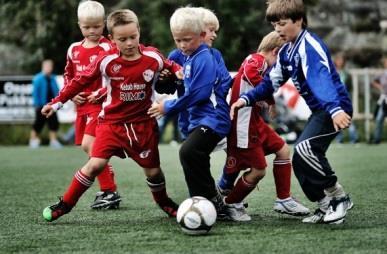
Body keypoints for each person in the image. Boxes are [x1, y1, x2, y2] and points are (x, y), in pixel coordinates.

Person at [41, 9, 181, 222]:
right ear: (112, 39)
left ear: (139, 32)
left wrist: (179, 75)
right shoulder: (105, 60)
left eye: (133, 37)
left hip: (142, 125)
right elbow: (80, 80)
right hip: (111, 124)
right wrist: (57, 102)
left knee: (153, 172)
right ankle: (66, 204)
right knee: (94, 164)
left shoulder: (153, 57)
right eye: (122, 39)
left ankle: (164, 202)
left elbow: (177, 69)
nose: (129, 43)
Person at [230, 0, 353, 224]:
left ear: (299, 20)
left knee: (306, 149)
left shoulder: (309, 46)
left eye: (282, 23)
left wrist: (335, 109)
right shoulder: (287, 51)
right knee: (299, 159)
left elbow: (320, 78)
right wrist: (246, 98)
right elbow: (270, 82)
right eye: (274, 24)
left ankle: (339, 198)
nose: (277, 29)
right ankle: (325, 206)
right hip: (321, 110)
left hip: (334, 107)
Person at [217, 31, 310, 222]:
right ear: (276, 51)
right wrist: (268, 98)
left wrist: (269, 101)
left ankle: (283, 199)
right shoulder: (257, 60)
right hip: (243, 125)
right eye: (283, 57)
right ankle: (230, 203)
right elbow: (252, 75)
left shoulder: (260, 62)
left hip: (255, 122)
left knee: (283, 150)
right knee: (257, 170)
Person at [148, 7, 230, 217]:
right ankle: (209, 201)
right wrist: (168, 79)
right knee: (193, 155)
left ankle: (217, 198)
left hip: (213, 117)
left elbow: (208, 90)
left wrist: (168, 106)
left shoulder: (208, 57)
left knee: (193, 153)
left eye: (214, 30)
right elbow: (163, 87)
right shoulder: (180, 54)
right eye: (210, 29)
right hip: (193, 119)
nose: (214, 34)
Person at [63, 0, 121, 209]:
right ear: (80, 25)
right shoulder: (74, 49)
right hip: (82, 107)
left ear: (104, 24)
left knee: (91, 145)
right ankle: (108, 189)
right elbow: (69, 76)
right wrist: (71, 95)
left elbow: (118, 75)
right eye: (87, 27)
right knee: (90, 148)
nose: (92, 31)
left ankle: (109, 190)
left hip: (102, 105)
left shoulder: (109, 47)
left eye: (96, 26)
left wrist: (102, 92)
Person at [29, 59, 63, 149]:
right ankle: (33, 140)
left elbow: (56, 90)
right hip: (41, 106)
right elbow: (35, 93)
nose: (50, 68)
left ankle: (53, 141)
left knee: (54, 123)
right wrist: (37, 105)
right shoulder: (38, 78)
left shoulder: (53, 78)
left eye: (51, 66)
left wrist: (57, 102)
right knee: (38, 124)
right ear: (43, 67)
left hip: (52, 105)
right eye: (48, 66)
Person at [333, 53, 358, 144]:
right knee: (337, 117)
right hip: (335, 98)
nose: (340, 62)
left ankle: (354, 138)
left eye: (341, 60)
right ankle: (339, 139)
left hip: (345, 97)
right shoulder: (333, 72)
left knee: (349, 118)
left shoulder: (347, 74)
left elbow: (350, 87)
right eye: (338, 60)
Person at [370, 56, 387, 144]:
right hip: (384, 99)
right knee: (379, 119)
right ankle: (377, 139)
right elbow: (373, 81)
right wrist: (380, 87)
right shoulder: (383, 74)